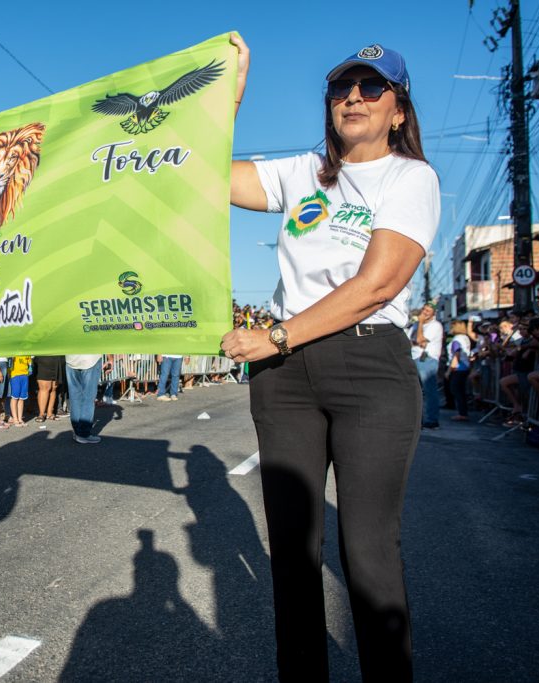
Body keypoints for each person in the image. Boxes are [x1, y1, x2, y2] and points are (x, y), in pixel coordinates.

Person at [220, 38, 440, 681]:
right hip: (287, 378)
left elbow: (377, 284)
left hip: (368, 367)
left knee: (367, 554)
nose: (354, 98)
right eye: (342, 89)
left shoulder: (411, 177)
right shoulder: (304, 171)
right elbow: (204, 176)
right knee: (291, 552)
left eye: (372, 89)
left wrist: (279, 336)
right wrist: (228, 98)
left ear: (398, 109)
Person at [409, 302, 443, 429]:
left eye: (428, 310)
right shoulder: (416, 324)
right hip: (414, 358)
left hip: (427, 360)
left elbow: (420, 341)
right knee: (414, 391)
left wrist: (421, 323)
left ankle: (432, 419)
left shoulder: (435, 325)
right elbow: (410, 341)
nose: (424, 312)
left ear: (434, 313)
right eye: (424, 309)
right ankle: (418, 419)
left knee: (429, 390)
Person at [65, 354, 112, 444]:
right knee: (88, 397)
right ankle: (83, 433)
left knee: (75, 397)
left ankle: (78, 432)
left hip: (71, 359)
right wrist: (110, 359)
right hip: (90, 359)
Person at [445, 319, 472, 421]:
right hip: (465, 367)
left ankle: (462, 413)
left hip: (458, 368)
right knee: (460, 391)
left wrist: (449, 371)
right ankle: (463, 412)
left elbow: (456, 355)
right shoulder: (465, 338)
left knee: (456, 390)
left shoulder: (456, 339)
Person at [34, 355, 64, 422]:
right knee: (44, 388)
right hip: (44, 358)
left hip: (57, 360)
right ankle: (41, 414)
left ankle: (49, 413)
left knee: (53, 388)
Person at [8, 355, 33, 426]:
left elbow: (29, 362)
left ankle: (20, 418)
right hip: (15, 375)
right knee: (15, 397)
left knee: (22, 398)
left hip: (25, 375)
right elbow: (10, 363)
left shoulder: (27, 352)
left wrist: (30, 368)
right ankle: (15, 419)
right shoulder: (13, 351)